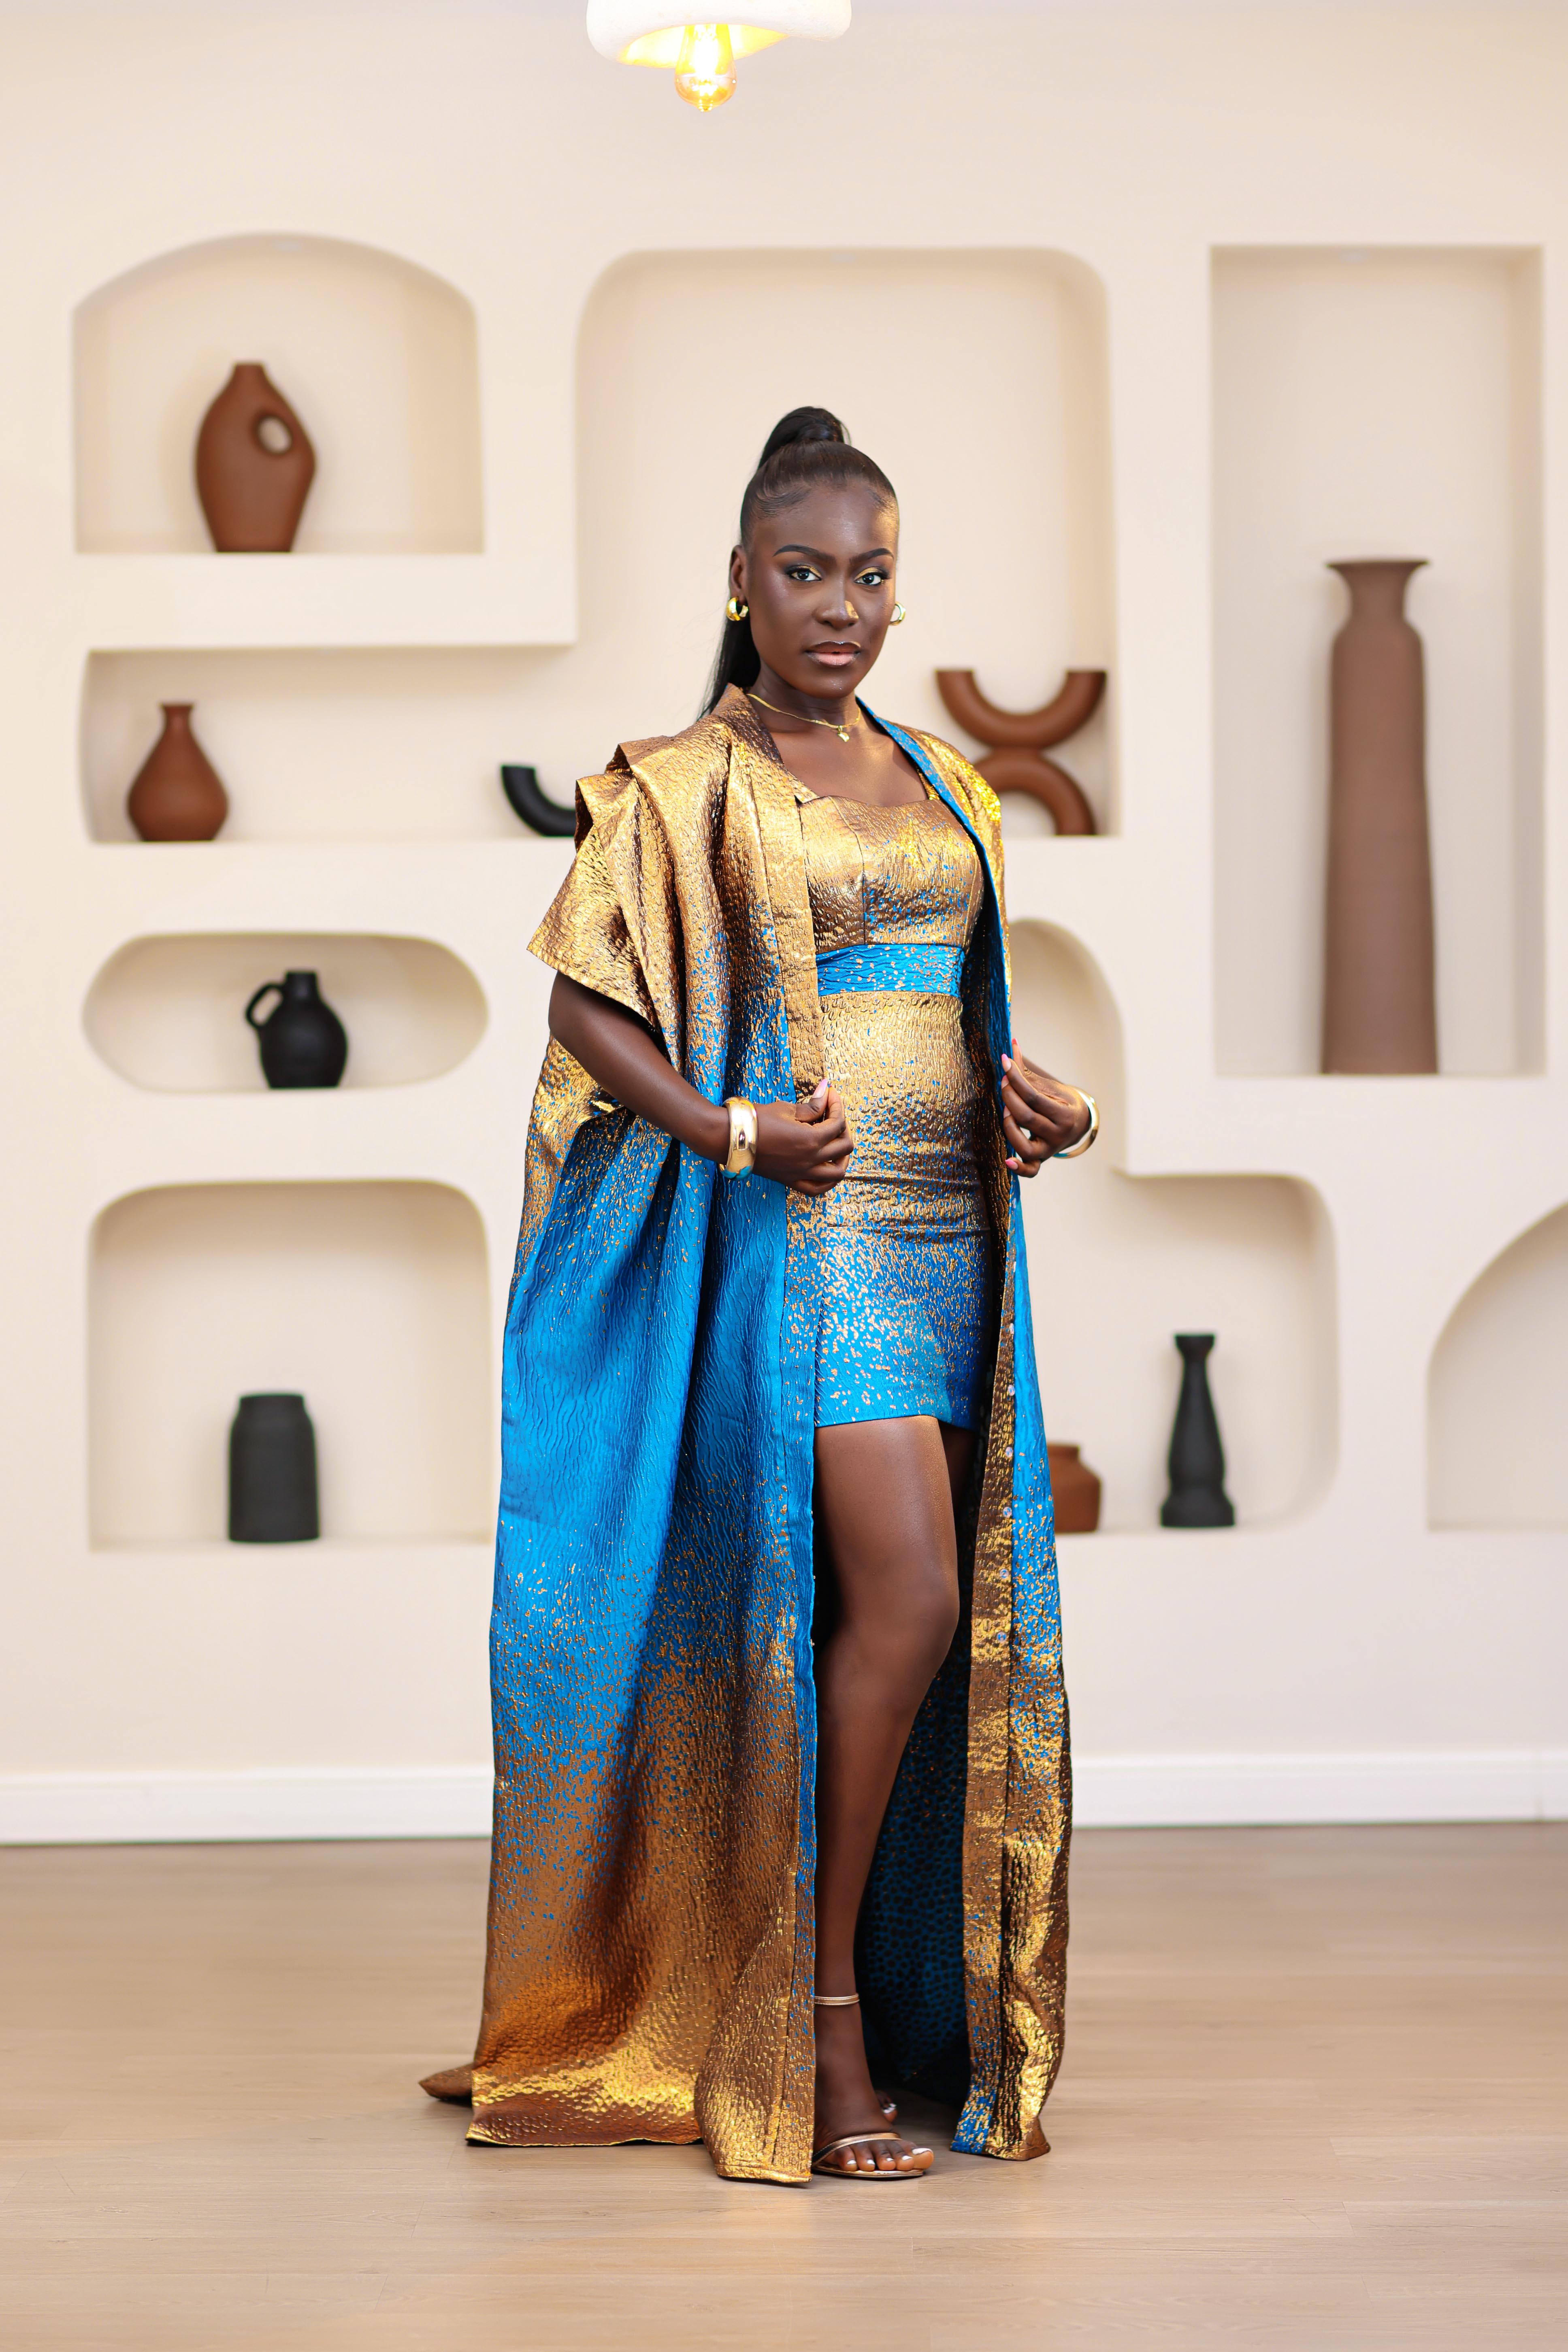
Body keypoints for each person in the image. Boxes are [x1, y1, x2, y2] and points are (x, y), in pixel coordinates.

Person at [422, 407, 1094, 2183]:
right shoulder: (678, 784)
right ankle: (818, 2030)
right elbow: (582, 1003)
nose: (840, 608)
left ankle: (843, 1988)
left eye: (871, 574)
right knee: (908, 1603)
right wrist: (729, 1130)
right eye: (803, 573)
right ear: (739, 581)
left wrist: (1048, 1103)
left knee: (917, 1628)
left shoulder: (950, 779)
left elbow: (966, 1009)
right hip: (814, 1255)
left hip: (958, 1241)